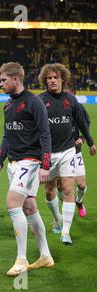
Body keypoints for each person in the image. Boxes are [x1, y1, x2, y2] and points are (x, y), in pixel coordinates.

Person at [0, 62, 53, 276]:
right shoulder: (8, 105)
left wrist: (45, 165)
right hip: (13, 164)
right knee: (28, 208)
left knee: (12, 203)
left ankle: (21, 259)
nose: (0, 84)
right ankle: (45, 255)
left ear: (15, 79)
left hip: (30, 162)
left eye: (3, 80)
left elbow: (45, 134)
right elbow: (8, 135)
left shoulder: (33, 102)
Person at [37, 63, 95, 244]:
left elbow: (82, 122)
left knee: (69, 189)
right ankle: (57, 218)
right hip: (47, 153)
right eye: (49, 78)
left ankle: (66, 232)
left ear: (63, 79)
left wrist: (90, 142)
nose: (52, 80)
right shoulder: (39, 101)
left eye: (56, 77)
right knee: (49, 191)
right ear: (45, 80)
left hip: (68, 151)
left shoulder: (71, 100)